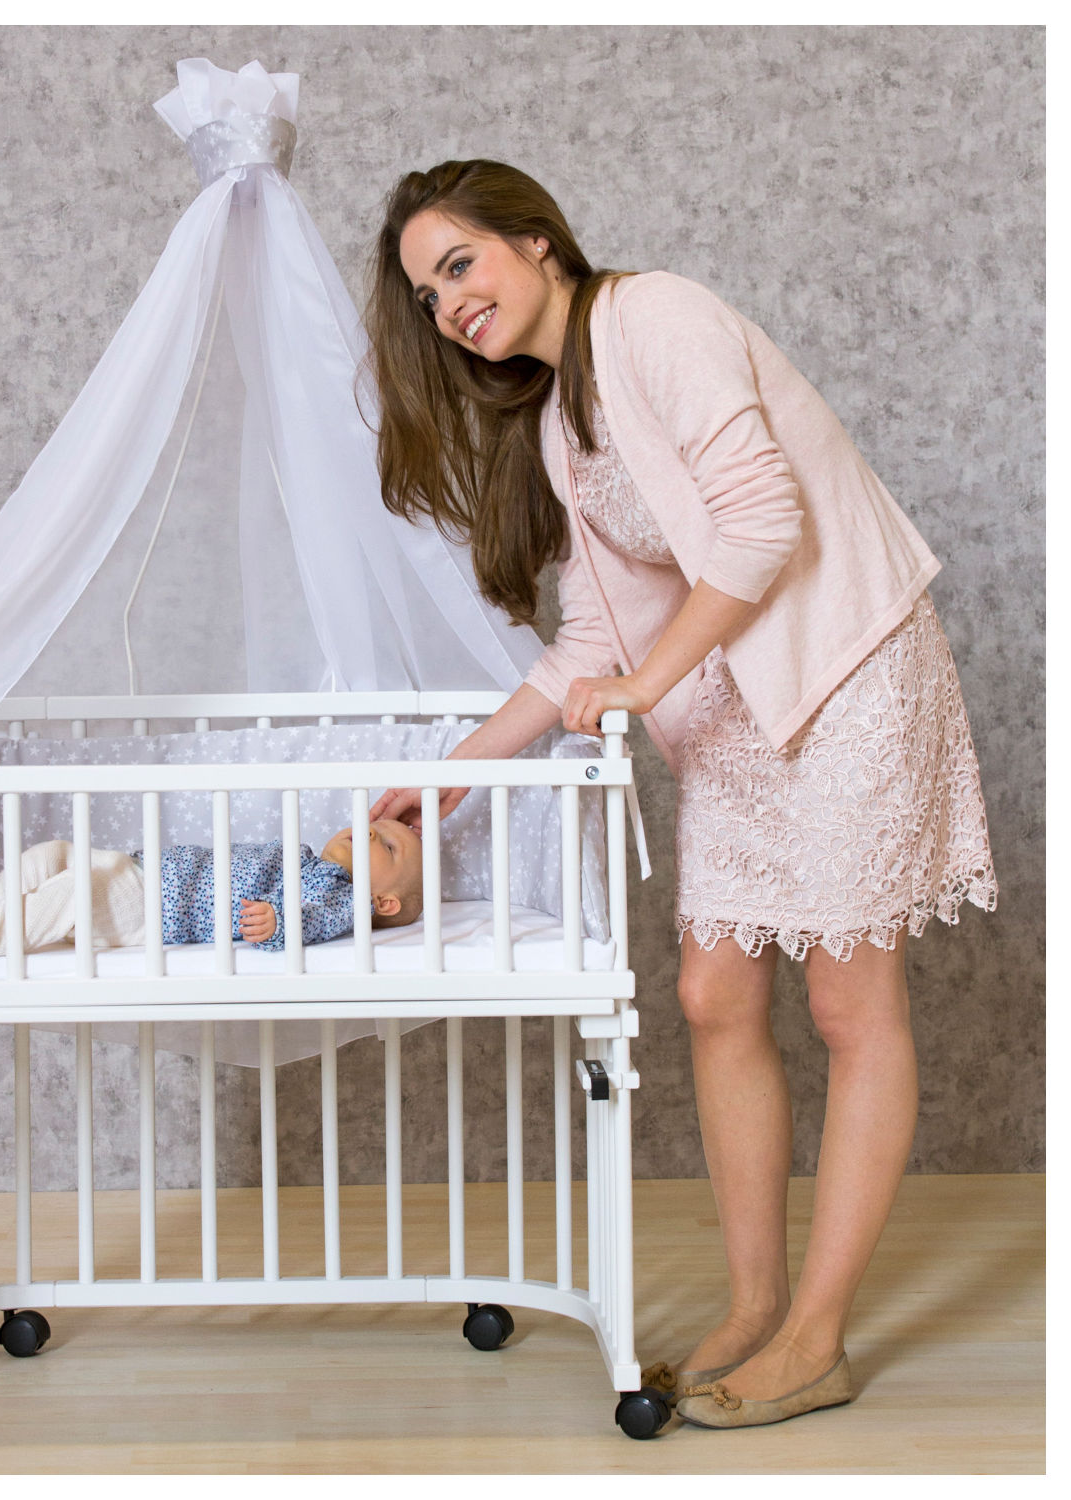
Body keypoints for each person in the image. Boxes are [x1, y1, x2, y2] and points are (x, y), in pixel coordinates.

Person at [366, 159, 997, 1431]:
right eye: (427, 296)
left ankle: (816, 1339)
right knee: (713, 995)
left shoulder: (655, 317)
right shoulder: (561, 425)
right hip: (740, 709)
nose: (448, 305)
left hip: (847, 670)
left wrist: (649, 682)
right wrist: (452, 779)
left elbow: (763, 522)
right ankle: (755, 1305)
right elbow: (597, 635)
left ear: (536, 243)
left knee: (849, 1000)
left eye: (458, 265)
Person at [0, 819, 424, 960]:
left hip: (157, 906)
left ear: (383, 901)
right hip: (142, 869)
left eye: (387, 846)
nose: (368, 829)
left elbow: (317, 918)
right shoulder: (308, 861)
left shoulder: (342, 894)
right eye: (375, 825)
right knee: (50, 855)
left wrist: (280, 923)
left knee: (77, 888)